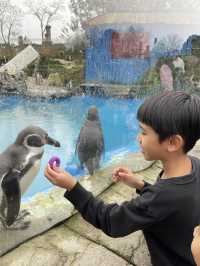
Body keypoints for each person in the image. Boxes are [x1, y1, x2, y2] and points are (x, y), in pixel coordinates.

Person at [44, 91, 200, 266]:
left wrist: (73, 187)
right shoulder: (194, 165)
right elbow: (167, 201)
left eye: (144, 132)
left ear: (173, 143)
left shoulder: (161, 198)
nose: (138, 138)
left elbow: (111, 220)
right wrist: (140, 184)